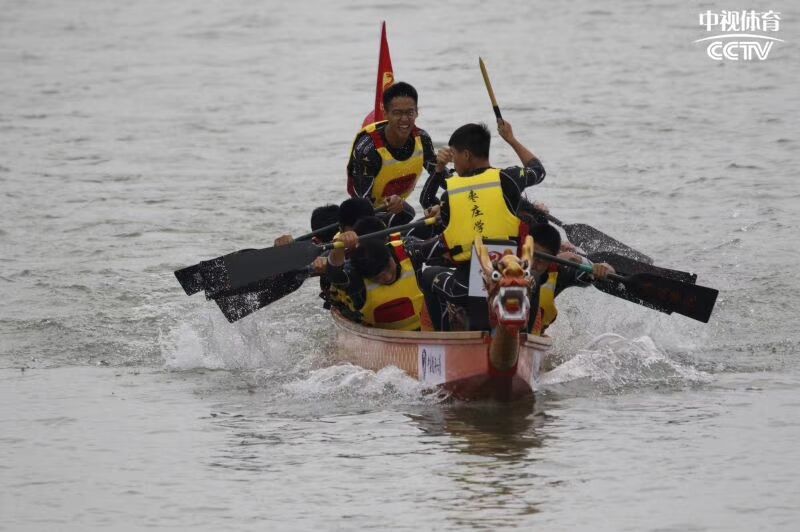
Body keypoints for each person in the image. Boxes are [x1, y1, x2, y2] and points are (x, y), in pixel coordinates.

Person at [417, 121, 547, 330]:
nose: (454, 164)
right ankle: (526, 336)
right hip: (508, 274)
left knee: (429, 275)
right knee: (533, 277)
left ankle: (442, 339)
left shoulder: (451, 192)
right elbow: (538, 170)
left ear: (467, 155)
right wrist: (511, 140)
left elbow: (426, 200)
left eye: (455, 157)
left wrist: (439, 169)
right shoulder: (509, 178)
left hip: (467, 284)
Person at [346, 82, 439, 227]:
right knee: (410, 214)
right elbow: (363, 206)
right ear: (386, 114)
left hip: (399, 211)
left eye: (410, 112)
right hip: (365, 217)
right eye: (397, 113)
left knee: (441, 211)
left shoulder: (422, 138)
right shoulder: (367, 150)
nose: (404, 119)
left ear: (417, 112)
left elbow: (439, 175)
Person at [327, 231, 442, 330]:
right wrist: (338, 249)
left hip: (424, 328)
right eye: (377, 277)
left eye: (388, 268)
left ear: (390, 256)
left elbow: (441, 244)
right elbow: (334, 274)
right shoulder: (355, 276)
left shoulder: (408, 251)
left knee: (434, 274)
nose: (387, 277)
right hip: (376, 337)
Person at [523, 223, 616, 336]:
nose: (533, 264)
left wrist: (603, 269)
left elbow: (605, 272)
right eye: (531, 255)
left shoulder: (561, 272)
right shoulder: (508, 261)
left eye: (541, 260)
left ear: (552, 260)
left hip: (534, 340)